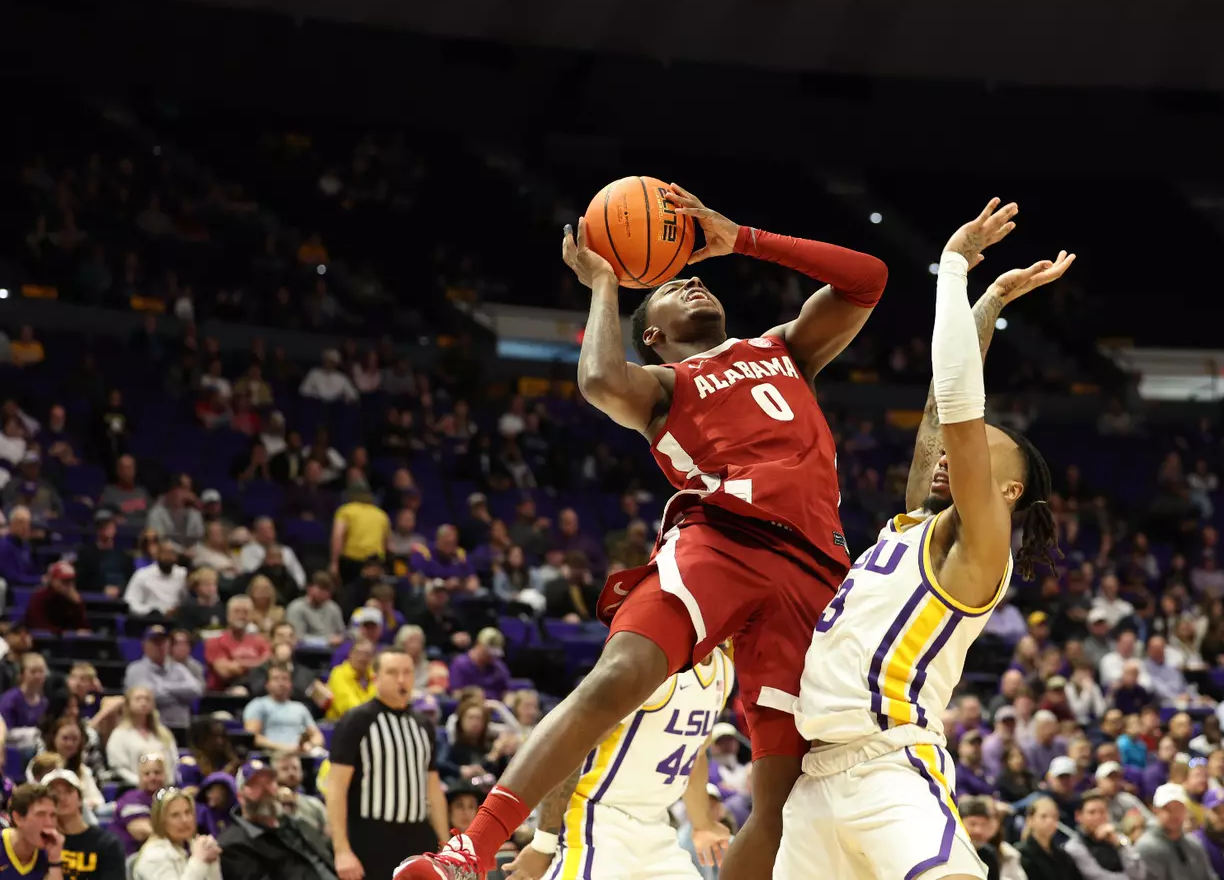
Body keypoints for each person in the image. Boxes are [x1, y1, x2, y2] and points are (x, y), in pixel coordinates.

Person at [400, 186, 890, 880]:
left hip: (815, 570)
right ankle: (469, 850)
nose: (689, 279)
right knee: (621, 673)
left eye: (693, 275)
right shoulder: (662, 383)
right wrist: (603, 283)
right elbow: (600, 378)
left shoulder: (785, 349)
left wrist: (742, 236)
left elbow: (869, 277)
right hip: (724, 535)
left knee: (782, 801)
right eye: (666, 287)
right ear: (652, 333)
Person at [773, 203, 1065, 880]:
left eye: (972, 456)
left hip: (891, 769)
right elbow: (942, 409)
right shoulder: (911, 527)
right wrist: (989, 302)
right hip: (814, 780)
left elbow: (962, 407)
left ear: (1007, 492)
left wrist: (956, 268)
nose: (945, 457)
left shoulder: (980, 549)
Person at [506, 644, 733, 880]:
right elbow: (569, 747)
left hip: (657, 829)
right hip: (597, 822)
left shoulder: (723, 669)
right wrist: (543, 845)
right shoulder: (650, 660)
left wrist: (703, 824)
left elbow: (695, 754)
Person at [329, 650, 445, 880]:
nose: (401, 680)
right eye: (392, 673)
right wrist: (341, 850)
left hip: (418, 836)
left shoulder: (424, 725)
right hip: (370, 837)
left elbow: (432, 788)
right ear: (376, 678)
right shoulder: (356, 721)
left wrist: (445, 843)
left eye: (407, 672)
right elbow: (336, 787)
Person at [216, 759, 339, 880]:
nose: (266, 789)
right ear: (240, 797)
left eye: (269, 782)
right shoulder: (234, 845)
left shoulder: (294, 822)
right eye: (256, 785)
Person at [41, 768, 122, 880]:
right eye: (54, 794)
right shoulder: (41, 843)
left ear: (80, 799)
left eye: (68, 791)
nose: (62, 798)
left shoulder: (107, 844)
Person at [125, 626, 204, 732]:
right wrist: (181, 697)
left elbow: (196, 690)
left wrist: (164, 686)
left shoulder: (178, 668)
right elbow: (149, 696)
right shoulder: (135, 669)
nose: (160, 646)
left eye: (163, 641)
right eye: (155, 642)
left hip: (182, 728)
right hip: (150, 730)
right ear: (145, 645)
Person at [133, 787, 222, 880]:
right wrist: (199, 860)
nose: (185, 820)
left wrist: (212, 861)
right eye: (175, 815)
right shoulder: (154, 857)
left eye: (187, 812)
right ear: (161, 821)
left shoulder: (192, 845)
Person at [1134, 784, 1218, 880]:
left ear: (1185, 809)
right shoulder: (1146, 847)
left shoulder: (1194, 844)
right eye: (1167, 808)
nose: (1173, 814)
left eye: (1178, 808)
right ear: (1155, 810)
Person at [244, 665, 324, 752]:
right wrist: (283, 748)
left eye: (285, 679)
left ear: (290, 684)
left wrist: (309, 744)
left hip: (299, 755)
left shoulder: (300, 707)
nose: (281, 683)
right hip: (271, 754)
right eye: (276, 679)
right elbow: (252, 737)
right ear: (267, 684)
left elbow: (318, 736)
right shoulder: (258, 705)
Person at [2, 782, 66, 880]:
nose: (49, 823)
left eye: (53, 815)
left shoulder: (49, 852)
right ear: (18, 818)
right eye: (40, 814)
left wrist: (55, 860)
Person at [111, 755, 170, 857]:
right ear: (140, 777)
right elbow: (141, 832)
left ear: (165, 775)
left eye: (157, 772)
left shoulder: (168, 798)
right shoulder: (130, 799)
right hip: (130, 856)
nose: (152, 777)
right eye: (147, 774)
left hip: (161, 853)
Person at [1019, 794, 1080, 880]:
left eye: (1054, 816)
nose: (1050, 821)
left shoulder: (1063, 856)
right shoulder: (1021, 853)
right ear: (1030, 820)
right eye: (1044, 816)